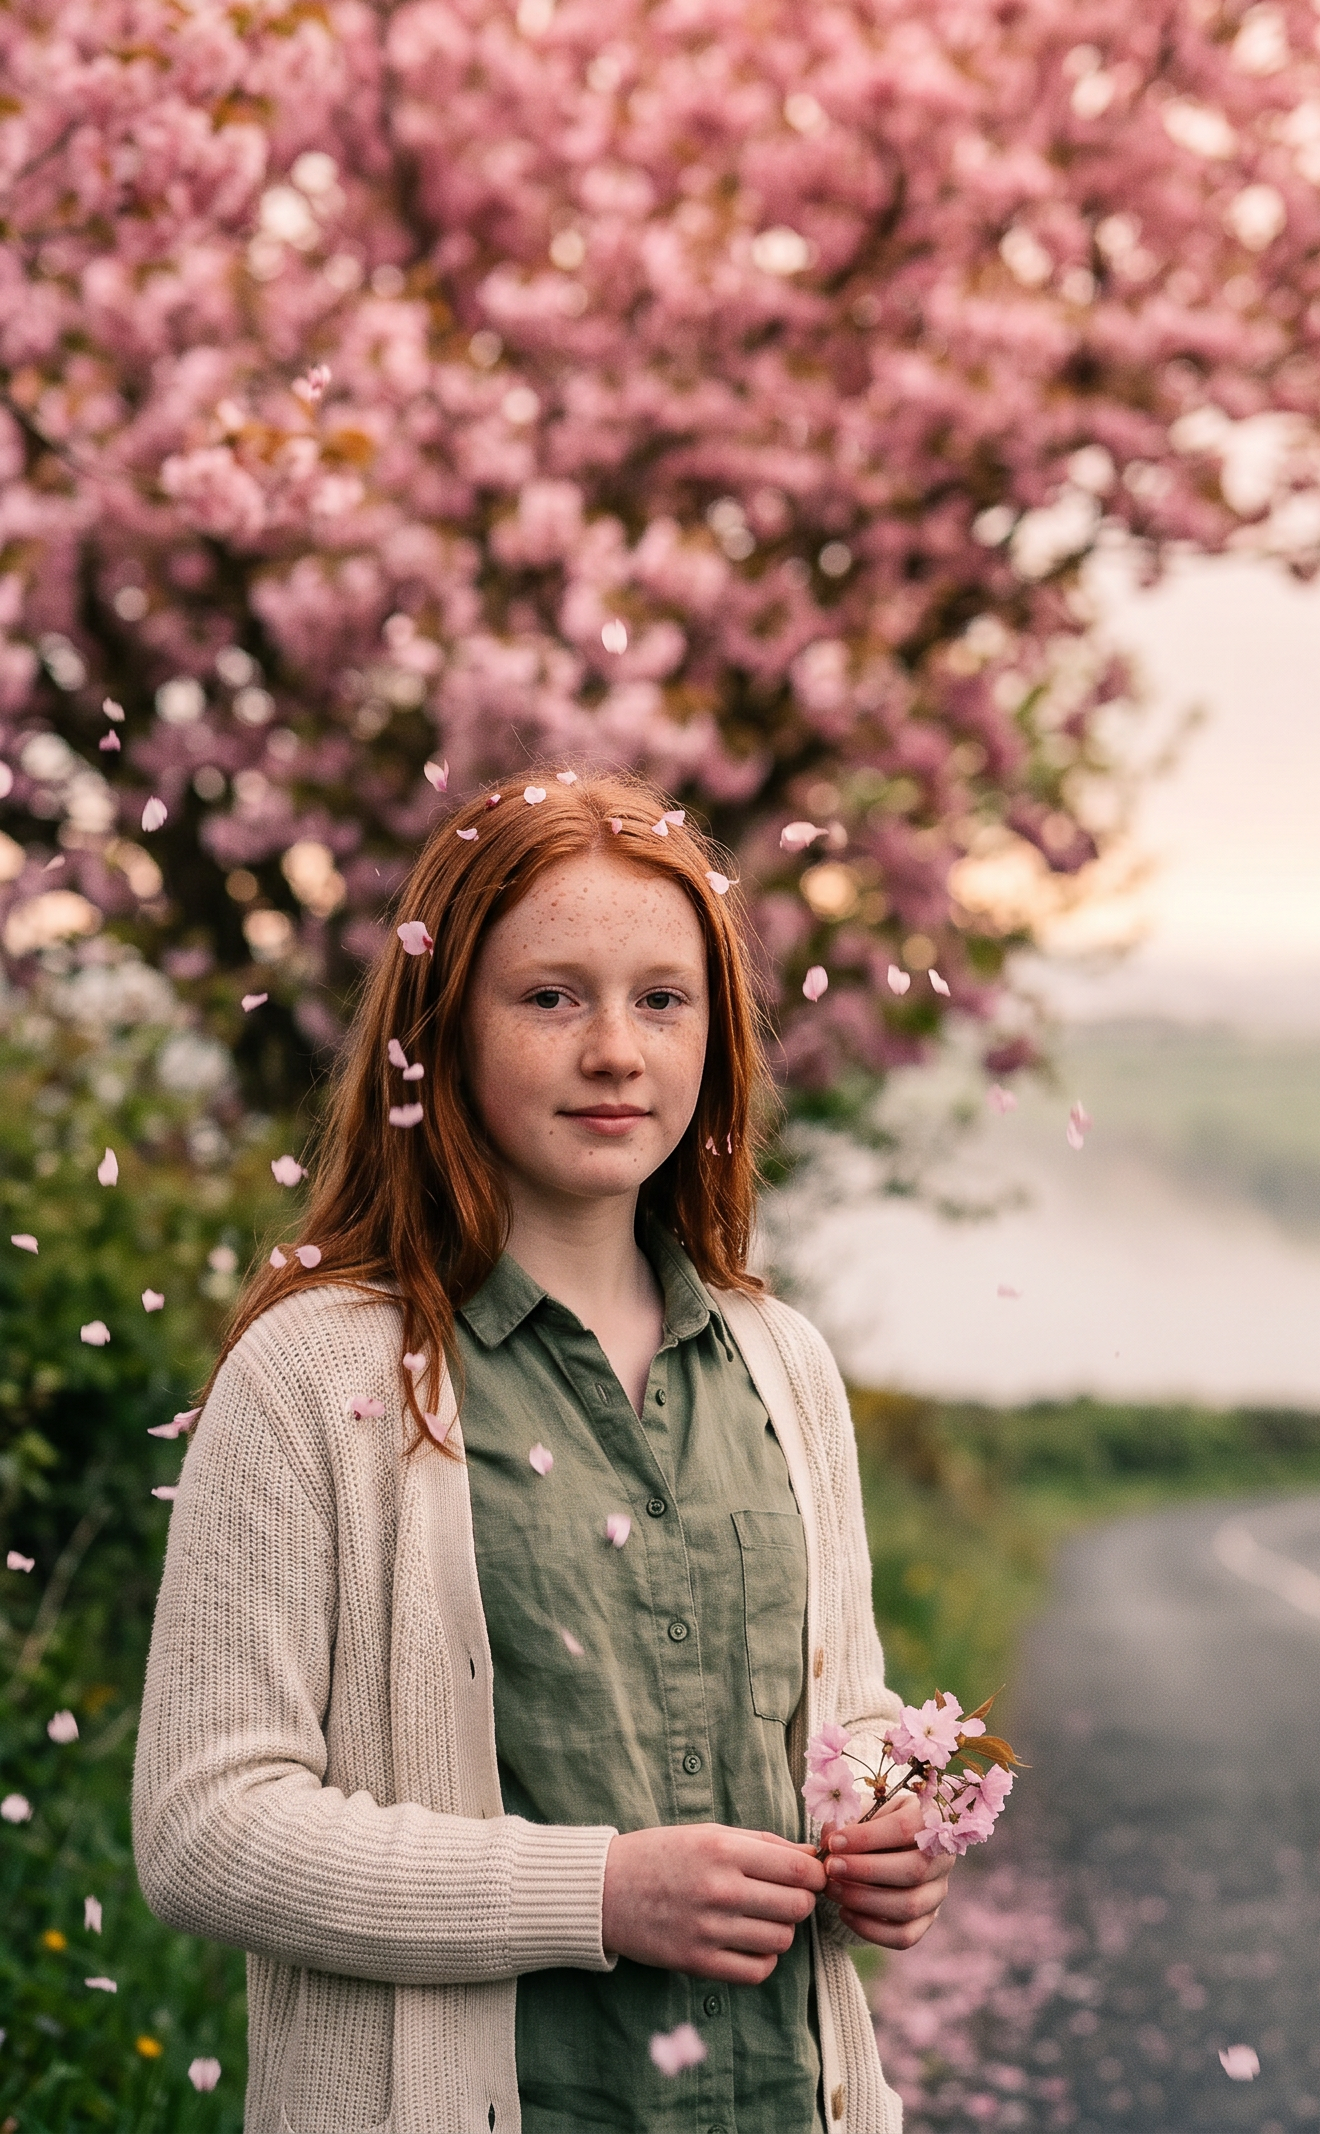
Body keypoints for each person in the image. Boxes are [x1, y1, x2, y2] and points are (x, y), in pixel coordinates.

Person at [134, 767, 951, 2134]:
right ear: (441, 1031)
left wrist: (889, 1825)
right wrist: (598, 1893)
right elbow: (204, 1830)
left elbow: (840, 1715)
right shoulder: (320, 1373)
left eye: (661, 999)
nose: (617, 1050)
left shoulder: (782, 1363)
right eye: (552, 996)